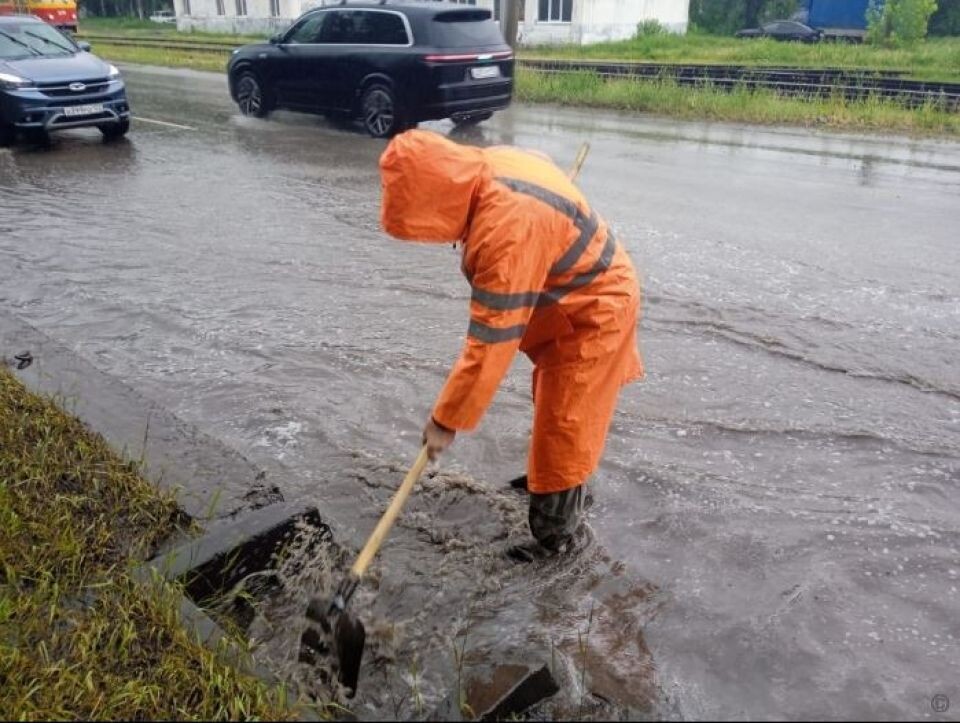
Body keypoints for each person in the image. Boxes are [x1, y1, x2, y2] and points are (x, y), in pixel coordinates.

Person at [379, 129, 643, 561]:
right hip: (574, 298)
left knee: (566, 422)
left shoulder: (507, 228)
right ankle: (562, 487)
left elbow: (491, 341)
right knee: (556, 410)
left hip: (595, 313)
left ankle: (558, 539)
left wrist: (446, 420)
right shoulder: (494, 162)